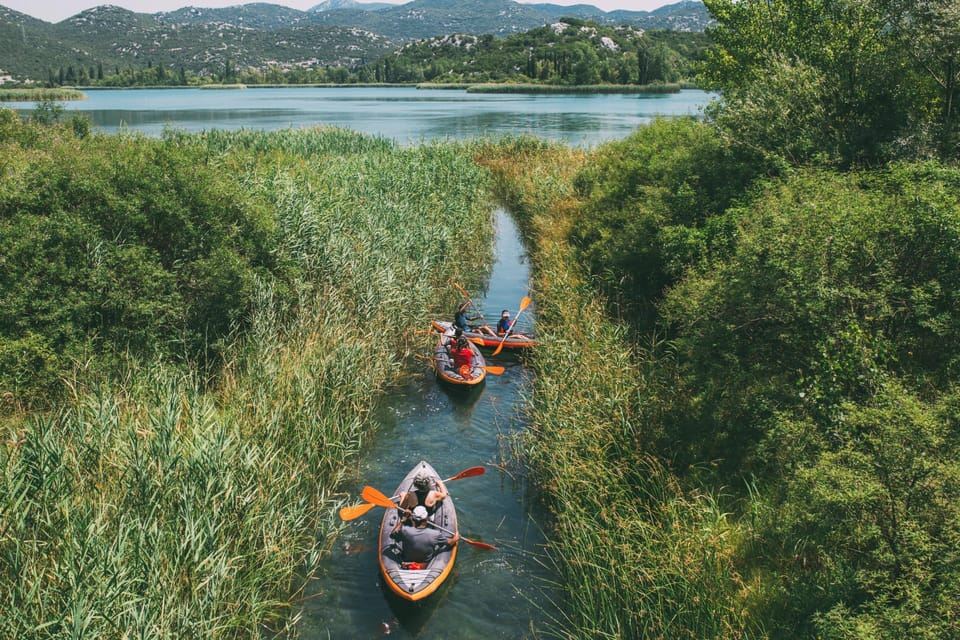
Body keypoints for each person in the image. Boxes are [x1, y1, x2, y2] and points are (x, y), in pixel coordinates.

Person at [391, 505, 459, 567]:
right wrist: (455, 538)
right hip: (425, 564)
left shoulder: (405, 530)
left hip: (406, 560)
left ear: (413, 519)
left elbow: (392, 535)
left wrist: (403, 519)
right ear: (426, 518)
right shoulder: (435, 534)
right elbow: (449, 543)